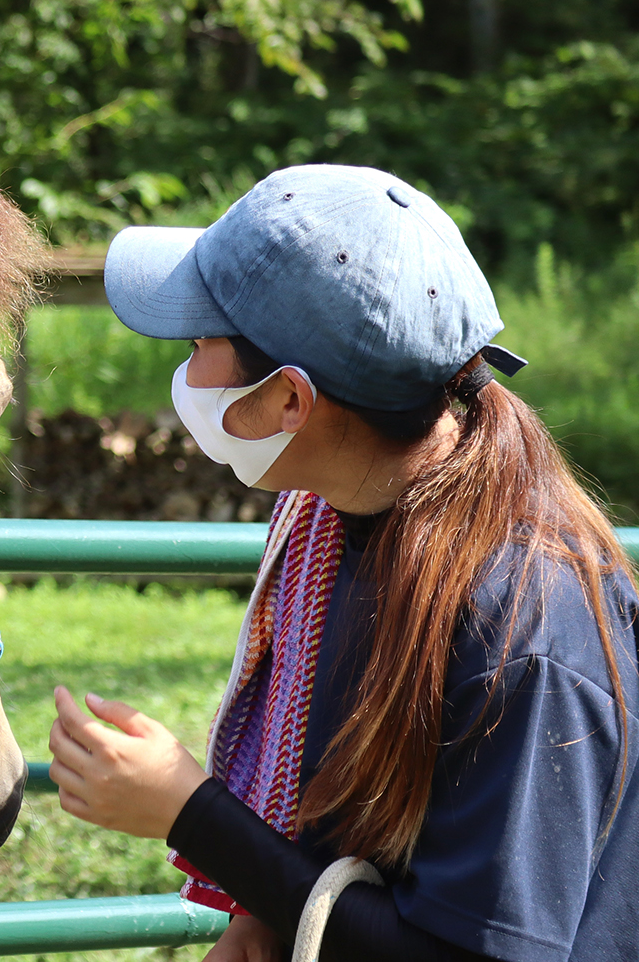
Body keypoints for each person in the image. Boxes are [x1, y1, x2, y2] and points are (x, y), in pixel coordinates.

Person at [47, 165, 639, 961]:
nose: (183, 374)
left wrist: (192, 813)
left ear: (290, 400)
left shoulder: (523, 629)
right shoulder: (332, 528)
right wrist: (267, 915)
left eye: (198, 343)